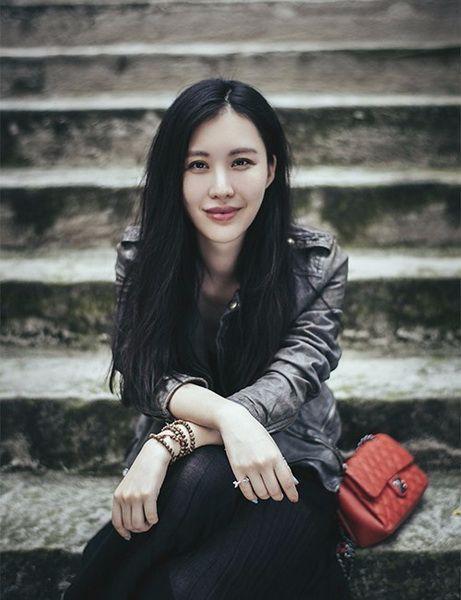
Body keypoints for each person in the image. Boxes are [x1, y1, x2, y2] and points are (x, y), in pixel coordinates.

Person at [62, 78, 352, 599]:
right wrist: (224, 420)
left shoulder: (315, 263)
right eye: (198, 165)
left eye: (241, 162)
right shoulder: (142, 256)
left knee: (183, 585)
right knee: (203, 476)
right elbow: (143, 370)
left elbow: (292, 379)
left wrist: (173, 439)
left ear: (271, 169)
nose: (221, 186)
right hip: (192, 476)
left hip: (289, 463)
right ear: (173, 175)